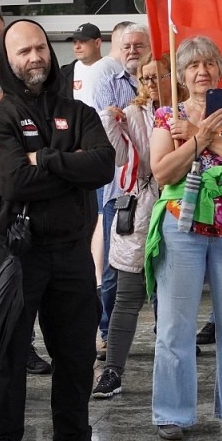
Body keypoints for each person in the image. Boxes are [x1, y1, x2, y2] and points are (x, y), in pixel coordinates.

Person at [0, 18, 118, 441]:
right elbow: (13, 180)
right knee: (7, 350)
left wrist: (46, 160)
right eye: (23, 51)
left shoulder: (80, 113)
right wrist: (69, 167)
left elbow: (102, 164)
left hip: (72, 252)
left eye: (40, 48)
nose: (34, 57)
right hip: (17, 252)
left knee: (77, 351)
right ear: (7, 61)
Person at [146, 35, 222, 440]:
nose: (202, 71)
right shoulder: (167, 117)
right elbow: (163, 172)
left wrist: (205, 136)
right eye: (193, 66)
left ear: (220, 69)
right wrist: (196, 141)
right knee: (174, 324)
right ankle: (171, 412)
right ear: (181, 75)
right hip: (181, 226)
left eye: (209, 64)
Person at [92, 55, 163, 399]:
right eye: (144, 78)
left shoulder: (187, 111)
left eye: (156, 77)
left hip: (181, 207)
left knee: (172, 298)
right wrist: (110, 121)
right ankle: (113, 372)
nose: (149, 84)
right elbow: (118, 157)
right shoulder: (133, 114)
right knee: (127, 296)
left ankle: (170, 370)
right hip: (142, 210)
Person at [92, 24, 148, 358]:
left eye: (139, 45)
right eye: (126, 46)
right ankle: (106, 332)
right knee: (115, 266)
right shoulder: (108, 82)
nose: (132, 51)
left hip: (161, 186)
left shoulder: (165, 79)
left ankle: (161, 329)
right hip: (121, 188)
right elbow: (110, 129)